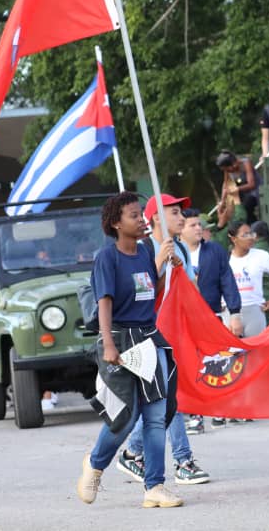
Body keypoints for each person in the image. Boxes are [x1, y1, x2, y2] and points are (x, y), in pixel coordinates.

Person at [78, 191, 183, 509]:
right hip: (120, 340)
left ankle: (155, 486)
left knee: (156, 415)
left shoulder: (143, 253)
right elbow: (104, 302)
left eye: (141, 214)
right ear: (115, 223)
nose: (141, 220)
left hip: (149, 339)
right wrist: (108, 344)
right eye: (134, 216)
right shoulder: (107, 258)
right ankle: (95, 465)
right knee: (125, 416)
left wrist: (166, 263)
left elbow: (151, 293)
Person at [117, 196, 213, 487]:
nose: (181, 217)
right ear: (156, 218)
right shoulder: (143, 249)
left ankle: (133, 452)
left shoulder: (181, 247)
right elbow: (137, 292)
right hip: (148, 332)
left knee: (165, 399)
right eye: (174, 212)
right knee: (169, 397)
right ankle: (183, 460)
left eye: (182, 211)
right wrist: (159, 263)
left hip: (177, 332)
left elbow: (191, 290)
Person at [178, 207, 243, 435]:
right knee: (189, 368)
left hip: (212, 317)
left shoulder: (214, 251)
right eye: (192, 225)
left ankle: (218, 409)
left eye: (199, 224)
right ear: (180, 230)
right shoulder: (174, 253)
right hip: (183, 321)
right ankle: (195, 416)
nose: (198, 228)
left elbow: (227, 281)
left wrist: (234, 312)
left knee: (215, 364)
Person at [226, 220, 269, 338]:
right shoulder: (224, 258)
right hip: (230, 312)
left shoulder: (261, 255)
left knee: (256, 352)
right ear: (234, 239)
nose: (250, 238)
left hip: (255, 310)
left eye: (251, 234)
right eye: (245, 235)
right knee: (231, 353)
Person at [216, 150, 259, 222]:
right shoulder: (227, 170)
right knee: (232, 207)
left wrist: (236, 189)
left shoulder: (246, 164)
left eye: (227, 169)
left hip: (255, 191)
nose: (227, 171)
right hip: (242, 193)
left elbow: (252, 184)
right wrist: (222, 202)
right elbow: (225, 185)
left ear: (233, 164)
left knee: (246, 205)